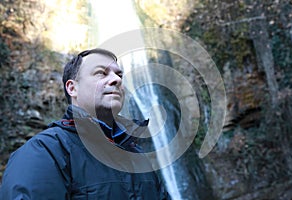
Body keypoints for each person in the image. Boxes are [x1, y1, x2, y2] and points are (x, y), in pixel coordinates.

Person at [0, 48, 171, 199]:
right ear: (72, 88)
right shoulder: (45, 151)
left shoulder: (138, 157)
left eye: (119, 75)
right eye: (101, 73)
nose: (116, 80)